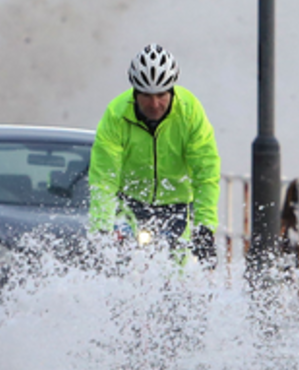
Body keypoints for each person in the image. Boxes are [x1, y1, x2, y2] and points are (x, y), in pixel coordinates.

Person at [88, 43, 221, 265]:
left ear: (171, 91)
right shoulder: (116, 115)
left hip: (177, 205)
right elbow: (104, 177)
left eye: (161, 95)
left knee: (178, 269)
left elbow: (206, 172)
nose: (154, 104)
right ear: (135, 93)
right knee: (120, 263)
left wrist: (205, 227)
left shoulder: (190, 112)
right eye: (146, 96)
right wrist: (101, 228)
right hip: (130, 202)